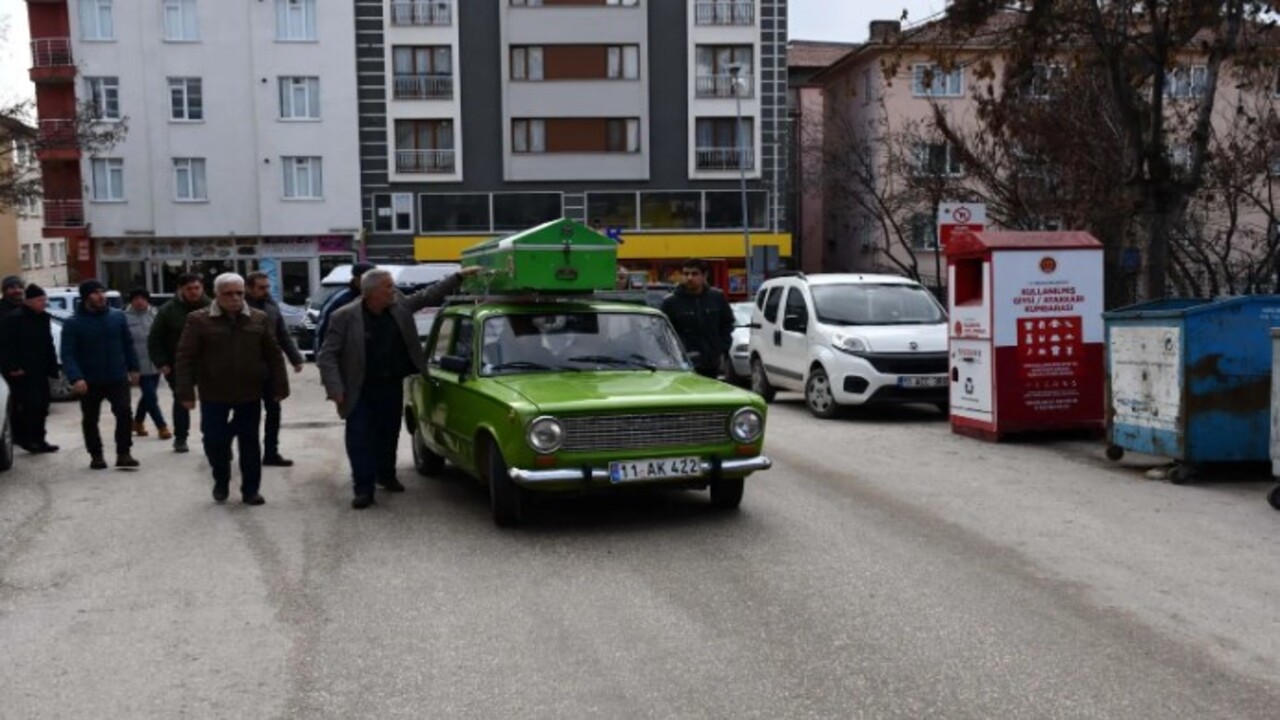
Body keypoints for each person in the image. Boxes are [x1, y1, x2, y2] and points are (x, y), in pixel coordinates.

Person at [318, 266, 477, 509]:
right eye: (389, 286)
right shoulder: (344, 316)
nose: (394, 290)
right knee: (360, 438)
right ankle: (363, 489)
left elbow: (428, 295)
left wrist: (458, 277)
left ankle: (386, 475)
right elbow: (327, 355)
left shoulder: (399, 305)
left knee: (388, 434)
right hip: (358, 389)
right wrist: (335, 388)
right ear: (372, 293)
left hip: (390, 384)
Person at [175, 273, 288, 506]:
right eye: (228, 294)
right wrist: (185, 392)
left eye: (239, 293)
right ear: (216, 295)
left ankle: (250, 490)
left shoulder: (259, 318)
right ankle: (221, 478)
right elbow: (185, 357)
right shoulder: (199, 320)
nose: (235, 298)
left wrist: (280, 384)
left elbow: (274, 354)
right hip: (213, 392)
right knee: (214, 441)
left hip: (249, 392)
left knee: (250, 443)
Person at [61, 280, 140, 470]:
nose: (101, 296)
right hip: (89, 380)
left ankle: (124, 453)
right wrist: (76, 377)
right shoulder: (73, 323)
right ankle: (96, 455)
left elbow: (128, 344)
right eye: (96, 293)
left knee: (124, 413)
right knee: (90, 418)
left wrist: (134, 368)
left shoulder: (117, 317)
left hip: (116, 376)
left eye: (102, 292)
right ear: (86, 296)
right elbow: (68, 353)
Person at [245, 271, 305, 467]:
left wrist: (295, 358)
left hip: (271, 369)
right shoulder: (240, 307)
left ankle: (271, 452)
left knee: (274, 412)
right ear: (249, 288)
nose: (265, 290)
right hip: (247, 370)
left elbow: (282, 333)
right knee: (247, 416)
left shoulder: (271, 306)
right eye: (261, 287)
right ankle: (242, 450)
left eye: (267, 287)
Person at [148, 272, 210, 453]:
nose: (194, 292)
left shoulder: (213, 307)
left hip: (208, 364)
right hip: (178, 365)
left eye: (197, 288)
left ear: (202, 288)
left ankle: (211, 436)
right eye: (189, 288)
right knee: (182, 400)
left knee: (211, 401)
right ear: (181, 289)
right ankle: (181, 438)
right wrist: (161, 363)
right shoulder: (168, 310)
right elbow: (155, 339)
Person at [0, 284, 59, 453]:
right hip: (21, 372)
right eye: (40, 300)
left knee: (43, 406)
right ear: (30, 302)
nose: (44, 303)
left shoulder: (43, 318)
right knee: (30, 406)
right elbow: (5, 346)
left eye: (44, 300)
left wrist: (52, 367)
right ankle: (26, 439)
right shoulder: (14, 319)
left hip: (39, 369)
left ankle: (40, 439)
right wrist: (12, 366)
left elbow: (48, 344)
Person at [661, 258, 734, 379]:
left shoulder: (717, 297)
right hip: (683, 364)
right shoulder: (671, 302)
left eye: (694, 274)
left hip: (712, 363)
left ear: (704, 275)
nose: (689, 278)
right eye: (686, 274)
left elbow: (727, 323)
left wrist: (721, 347)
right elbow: (664, 332)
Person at [124, 288, 169, 440]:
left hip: (155, 362)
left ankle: (137, 422)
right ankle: (161, 426)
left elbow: (163, 338)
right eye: (136, 298)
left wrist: (164, 359)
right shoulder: (124, 317)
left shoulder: (156, 314)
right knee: (151, 396)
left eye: (142, 298)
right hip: (136, 364)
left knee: (148, 396)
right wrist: (129, 367)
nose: (139, 301)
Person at [314, 261, 376, 354]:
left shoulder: (380, 298)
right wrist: (322, 358)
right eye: (367, 279)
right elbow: (323, 330)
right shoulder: (340, 301)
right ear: (356, 279)